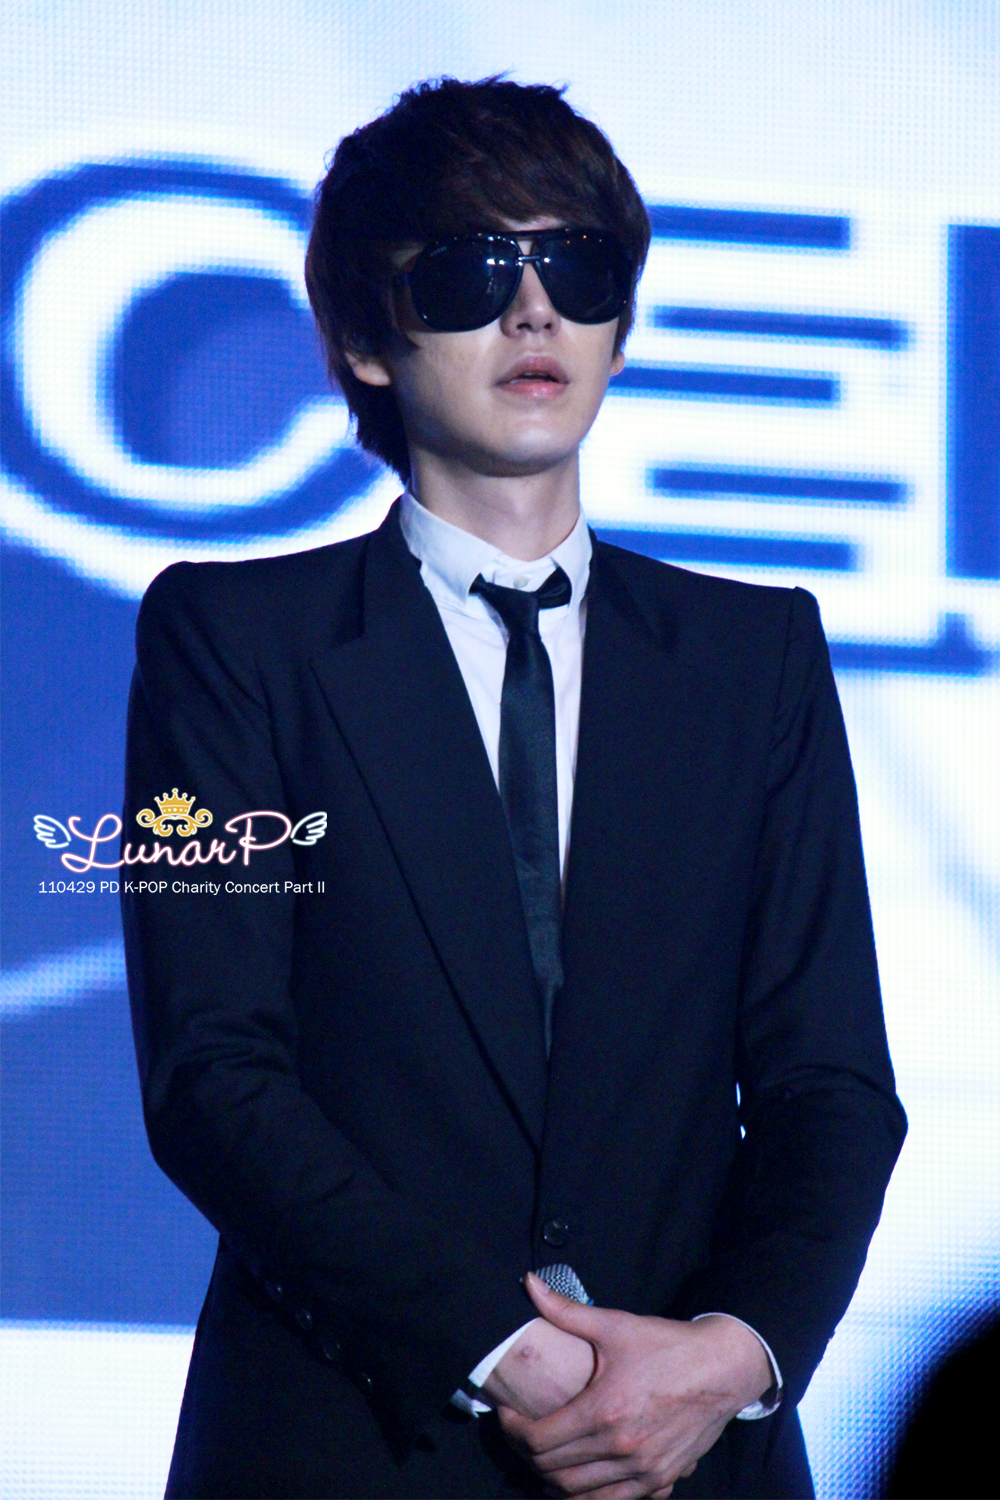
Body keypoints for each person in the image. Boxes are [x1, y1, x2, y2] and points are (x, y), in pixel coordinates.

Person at [121, 77, 907, 1500]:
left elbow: (831, 1083)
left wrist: (730, 1354)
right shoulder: (234, 640)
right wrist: (501, 1346)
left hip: (690, 1449)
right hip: (352, 1440)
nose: (534, 312)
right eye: (474, 271)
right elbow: (214, 1077)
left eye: (577, 269)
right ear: (365, 339)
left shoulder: (756, 656)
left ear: (620, 325)